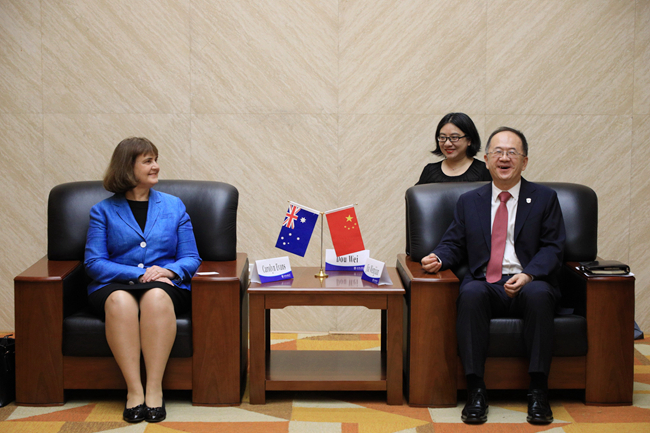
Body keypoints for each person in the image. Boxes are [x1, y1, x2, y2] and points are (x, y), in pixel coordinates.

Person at [421, 127, 565, 425]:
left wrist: (529, 275)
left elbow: (553, 247)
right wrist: (439, 257)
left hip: (529, 281)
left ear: (524, 162)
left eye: (512, 152)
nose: (504, 158)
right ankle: (476, 390)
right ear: (486, 160)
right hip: (485, 281)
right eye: (498, 152)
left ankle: (538, 391)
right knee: (470, 294)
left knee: (539, 296)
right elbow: (454, 242)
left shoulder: (544, 198)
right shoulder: (469, 201)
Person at [84, 137, 201, 423]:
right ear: (128, 167)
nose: (156, 166)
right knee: (121, 301)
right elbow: (94, 262)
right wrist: (137, 274)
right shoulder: (102, 210)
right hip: (116, 284)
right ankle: (134, 391)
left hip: (164, 285)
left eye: (156, 159)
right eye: (148, 161)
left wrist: (168, 271)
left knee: (156, 297)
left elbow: (191, 257)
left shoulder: (174, 206)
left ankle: (154, 389)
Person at [416, 112, 492, 184]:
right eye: (442, 137)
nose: (447, 143)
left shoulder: (485, 170)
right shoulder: (430, 171)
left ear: (469, 140)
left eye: (454, 137)